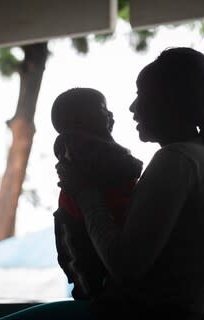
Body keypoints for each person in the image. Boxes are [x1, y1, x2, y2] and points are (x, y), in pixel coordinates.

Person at [58, 47, 204, 320]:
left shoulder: (177, 160)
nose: (132, 108)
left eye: (140, 95)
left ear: (168, 101)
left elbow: (125, 266)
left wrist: (84, 193)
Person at [51, 88, 143, 300]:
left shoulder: (87, 150)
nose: (111, 115)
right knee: (88, 266)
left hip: (92, 222)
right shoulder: (81, 150)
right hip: (81, 222)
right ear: (80, 119)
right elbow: (128, 169)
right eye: (103, 109)